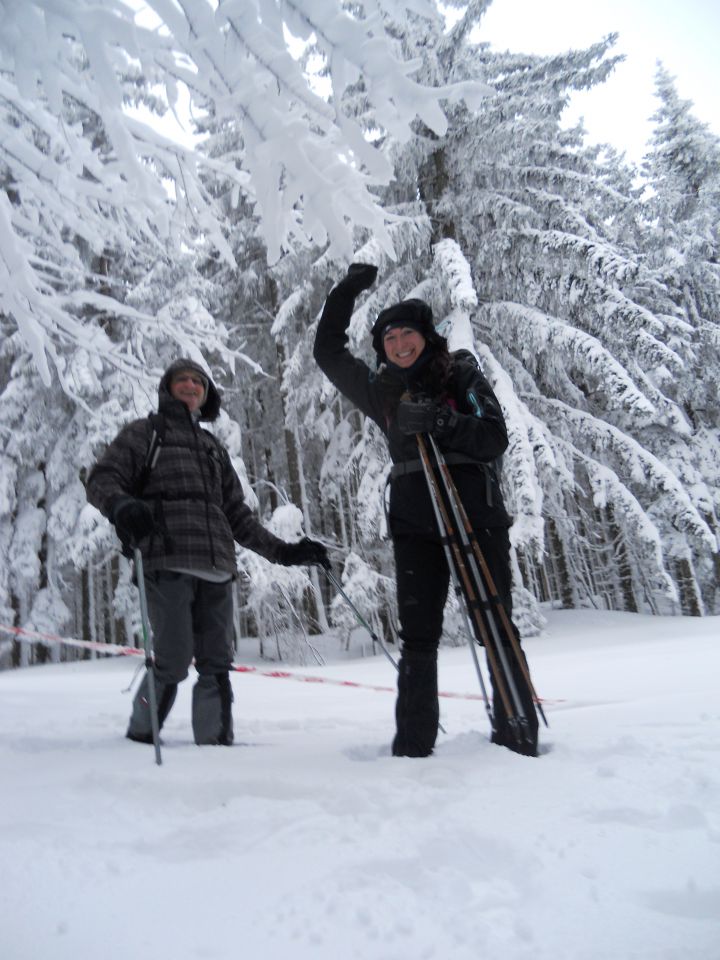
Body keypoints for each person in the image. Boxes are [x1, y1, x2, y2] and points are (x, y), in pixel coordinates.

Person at [313, 264, 538, 757]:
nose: (398, 344)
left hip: (475, 517)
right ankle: (414, 746)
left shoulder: (460, 372)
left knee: (493, 621)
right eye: (389, 338)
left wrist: (440, 419)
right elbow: (327, 353)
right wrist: (346, 291)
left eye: (406, 333)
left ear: (425, 336)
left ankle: (518, 733)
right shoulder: (383, 392)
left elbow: (493, 437)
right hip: (416, 525)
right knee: (418, 635)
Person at [86, 358, 328, 746]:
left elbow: (238, 516)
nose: (190, 385)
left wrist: (284, 553)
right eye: (181, 379)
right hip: (166, 560)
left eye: (197, 381)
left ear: (206, 393)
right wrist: (121, 506)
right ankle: (141, 733)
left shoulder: (212, 448)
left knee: (217, 661)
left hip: (217, 565)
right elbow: (103, 478)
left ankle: (214, 746)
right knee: (173, 659)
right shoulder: (145, 433)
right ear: (168, 388)